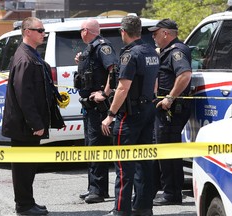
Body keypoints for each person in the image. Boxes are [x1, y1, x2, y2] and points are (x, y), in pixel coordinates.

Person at [2, 17, 64, 215]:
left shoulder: (33, 56)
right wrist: (35, 123)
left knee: (29, 167)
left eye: (43, 30)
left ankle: (28, 202)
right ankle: (24, 205)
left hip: (28, 125)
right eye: (40, 30)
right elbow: (24, 97)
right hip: (24, 126)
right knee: (23, 168)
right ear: (27, 31)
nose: (43, 33)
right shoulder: (25, 59)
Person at [101, 15, 159, 216]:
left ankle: (120, 210)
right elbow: (154, 85)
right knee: (144, 162)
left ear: (123, 32)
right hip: (148, 110)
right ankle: (143, 207)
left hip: (130, 115)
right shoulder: (151, 51)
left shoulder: (130, 55)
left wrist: (110, 114)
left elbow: (122, 88)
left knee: (124, 165)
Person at [148, 18, 192, 206]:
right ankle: (166, 189)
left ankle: (172, 194)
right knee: (163, 149)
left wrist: (169, 98)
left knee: (169, 151)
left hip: (172, 109)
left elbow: (185, 75)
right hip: (165, 107)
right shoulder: (167, 51)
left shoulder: (177, 52)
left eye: (156, 33)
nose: (153, 37)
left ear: (166, 33)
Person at [74, 18, 118, 204]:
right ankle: (94, 187)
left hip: (98, 107)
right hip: (89, 107)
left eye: (80, 30)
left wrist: (105, 93)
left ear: (86, 30)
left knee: (96, 146)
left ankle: (98, 191)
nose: (80, 34)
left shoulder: (102, 47)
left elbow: (113, 69)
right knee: (90, 146)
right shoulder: (90, 49)